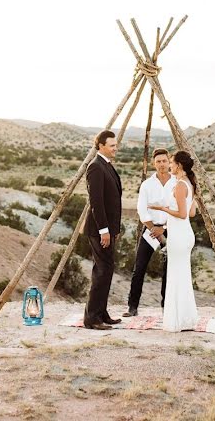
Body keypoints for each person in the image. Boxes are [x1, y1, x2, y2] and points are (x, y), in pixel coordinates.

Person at [149, 150, 199, 332]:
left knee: (176, 276)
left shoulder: (180, 185)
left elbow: (183, 213)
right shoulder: (189, 183)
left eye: (171, 162)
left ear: (179, 165)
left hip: (179, 236)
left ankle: (177, 320)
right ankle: (185, 318)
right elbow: (192, 213)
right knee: (182, 276)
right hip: (185, 233)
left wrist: (163, 208)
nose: (169, 165)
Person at [124, 148, 176, 317]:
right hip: (150, 230)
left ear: (169, 162)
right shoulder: (147, 184)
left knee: (169, 270)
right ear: (154, 164)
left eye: (164, 161)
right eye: (158, 161)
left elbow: (178, 209)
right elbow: (141, 209)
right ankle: (132, 307)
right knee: (139, 267)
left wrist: (164, 228)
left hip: (170, 229)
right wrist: (154, 228)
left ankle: (165, 306)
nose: (162, 164)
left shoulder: (176, 183)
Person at [82, 130, 123, 330]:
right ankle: (92, 318)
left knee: (106, 270)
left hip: (107, 229)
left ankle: (101, 312)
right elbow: (96, 202)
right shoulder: (96, 167)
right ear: (101, 146)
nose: (116, 148)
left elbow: (113, 200)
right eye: (112, 145)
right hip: (98, 229)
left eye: (116, 145)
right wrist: (104, 230)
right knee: (102, 271)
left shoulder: (106, 165)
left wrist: (114, 228)